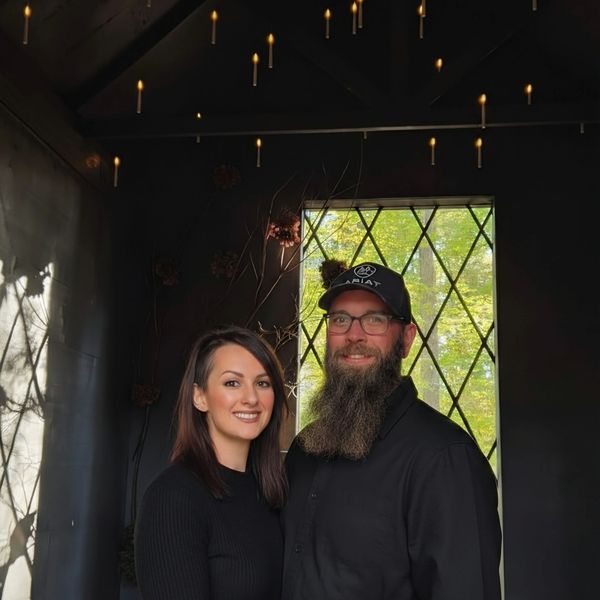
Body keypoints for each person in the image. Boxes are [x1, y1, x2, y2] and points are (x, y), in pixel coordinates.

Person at [281, 262, 502, 600]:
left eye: (375, 320)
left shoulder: (445, 459)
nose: (354, 335)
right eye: (340, 319)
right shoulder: (304, 449)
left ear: (406, 338)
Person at [135, 325, 288, 600]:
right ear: (200, 397)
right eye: (232, 383)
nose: (251, 398)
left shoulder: (270, 491)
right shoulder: (173, 498)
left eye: (263, 383)